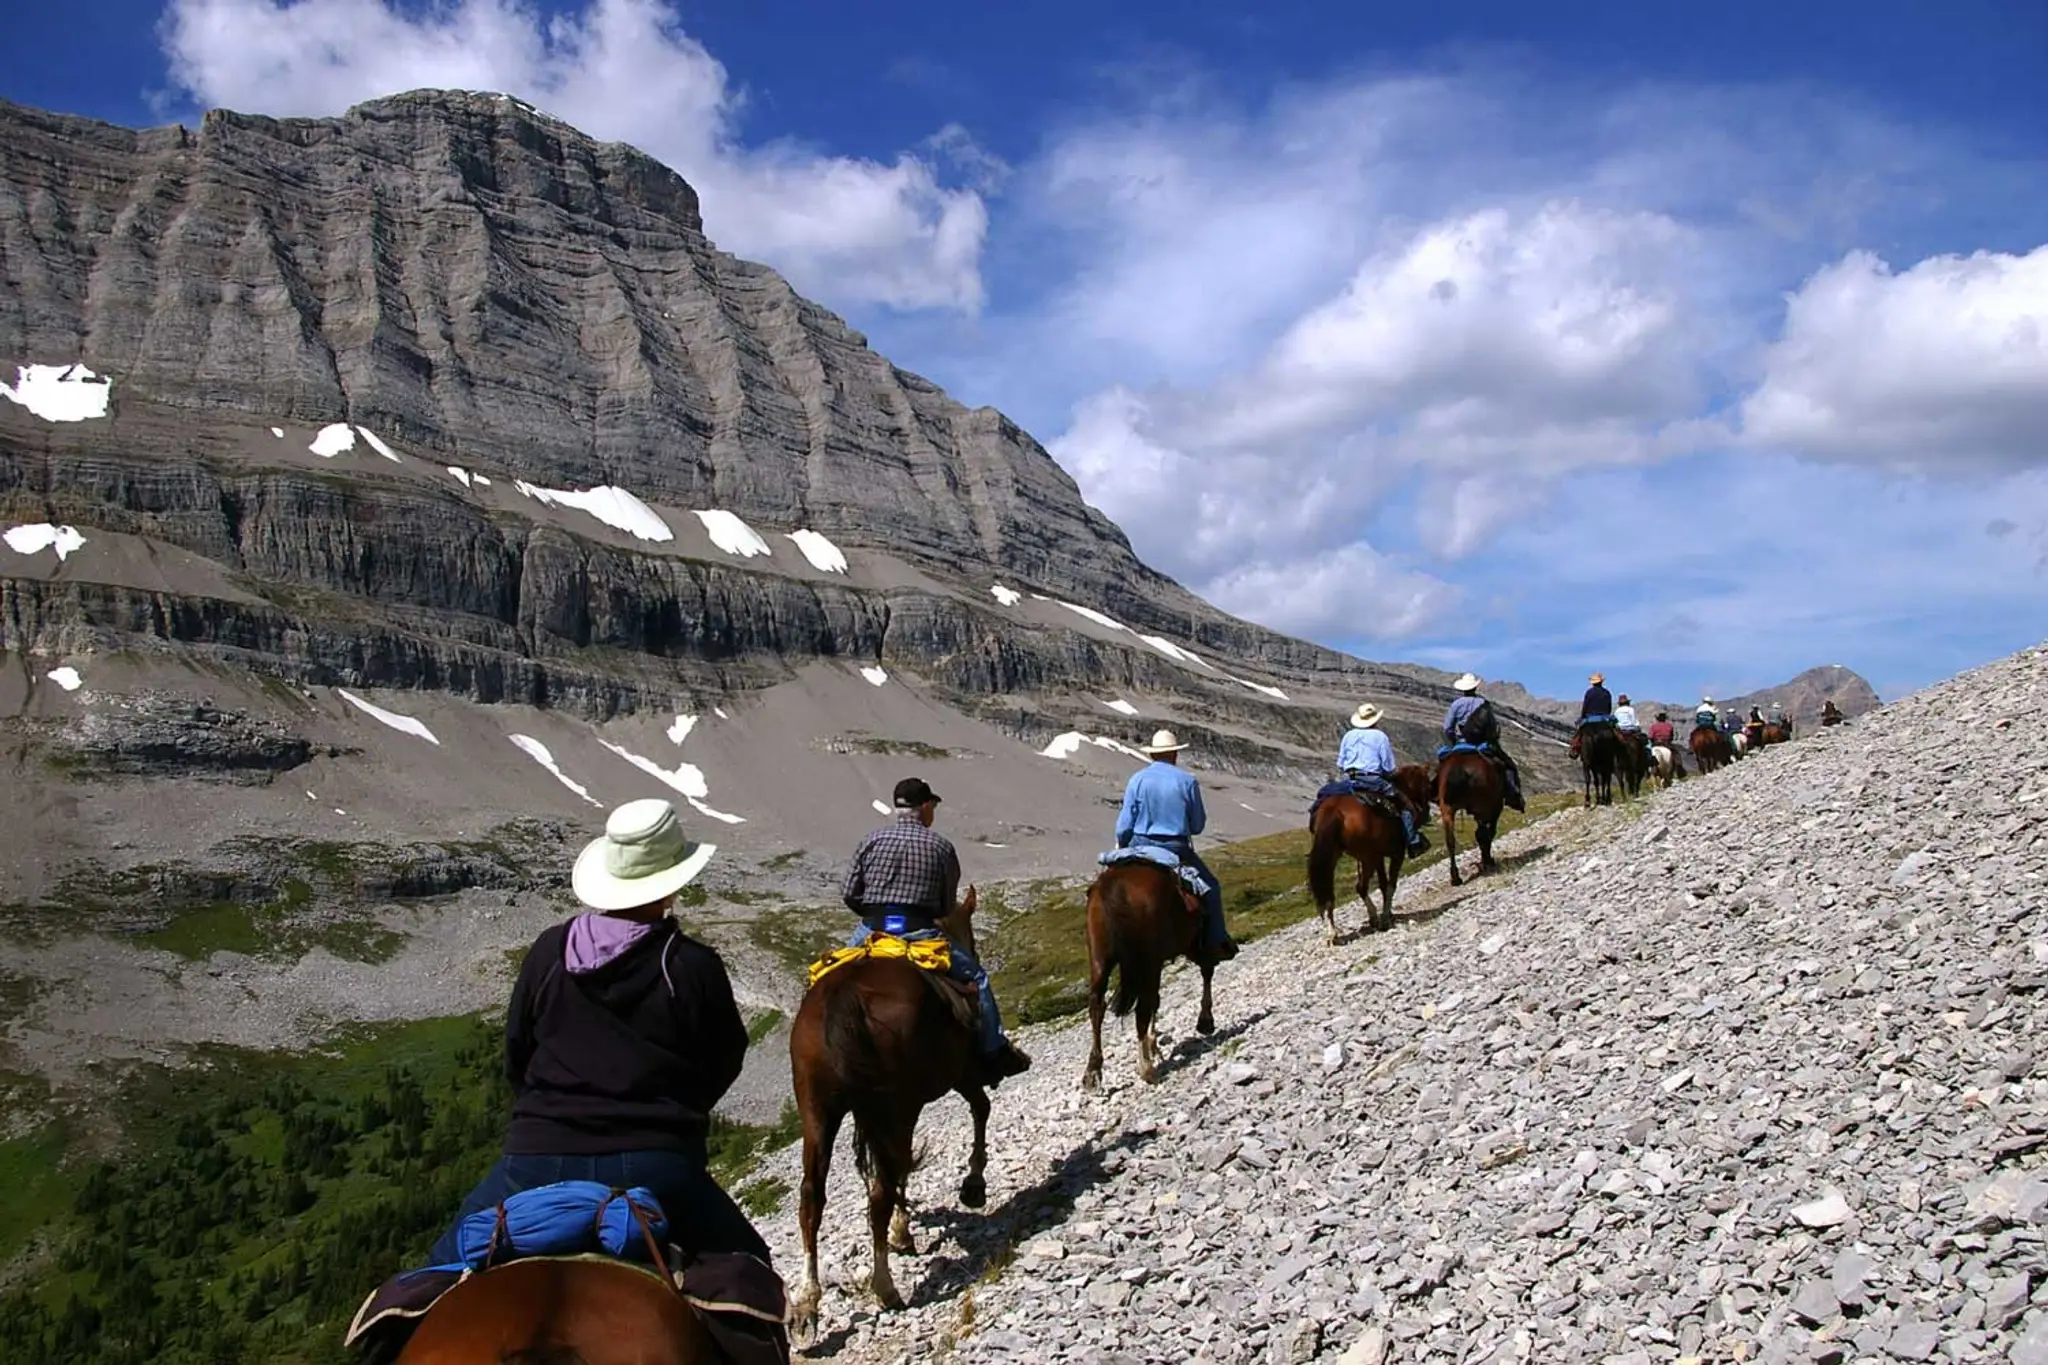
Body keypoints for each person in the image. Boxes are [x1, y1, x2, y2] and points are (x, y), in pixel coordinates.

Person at [425, 798, 769, 1268]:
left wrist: (546, 1112)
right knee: (751, 1267)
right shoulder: (691, 964)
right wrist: (675, 1115)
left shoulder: (548, 951)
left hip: (536, 1157)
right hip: (657, 1162)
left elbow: (517, 1053)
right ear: (670, 883)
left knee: (435, 1272)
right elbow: (725, 1057)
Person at [843, 777, 1031, 1086]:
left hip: (871, 930)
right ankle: (994, 1052)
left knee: (823, 976)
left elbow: (850, 892)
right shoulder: (941, 847)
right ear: (926, 806)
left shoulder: (871, 840)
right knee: (979, 980)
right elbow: (945, 907)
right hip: (918, 932)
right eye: (933, 806)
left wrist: (876, 914)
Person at [1116, 729, 1237, 962]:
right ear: (1174, 754)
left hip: (1139, 844)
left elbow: (1124, 826)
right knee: (1211, 888)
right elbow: (1197, 825)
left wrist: (1123, 845)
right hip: (1174, 848)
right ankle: (1215, 942)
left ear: (1152, 755)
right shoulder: (1187, 781)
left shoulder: (1137, 780)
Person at [1336, 702, 1429, 855]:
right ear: (1375, 720)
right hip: (1374, 781)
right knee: (1405, 806)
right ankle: (1413, 842)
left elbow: (1340, 764)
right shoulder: (1380, 736)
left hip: (1351, 780)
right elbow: (1389, 768)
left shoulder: (1348, 735)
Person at [1442, 673, 1526, 812]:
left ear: (1463, 689)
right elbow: (1491, 726)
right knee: (1509, 766)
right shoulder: (1483, 703)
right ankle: (1513, 795)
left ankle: (1435, 793)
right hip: (1481, 744)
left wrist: (1454, 741)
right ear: (1475, 688)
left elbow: (1447, 728)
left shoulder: (1456, 704)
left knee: (1441, 765)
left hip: (1461, 743)